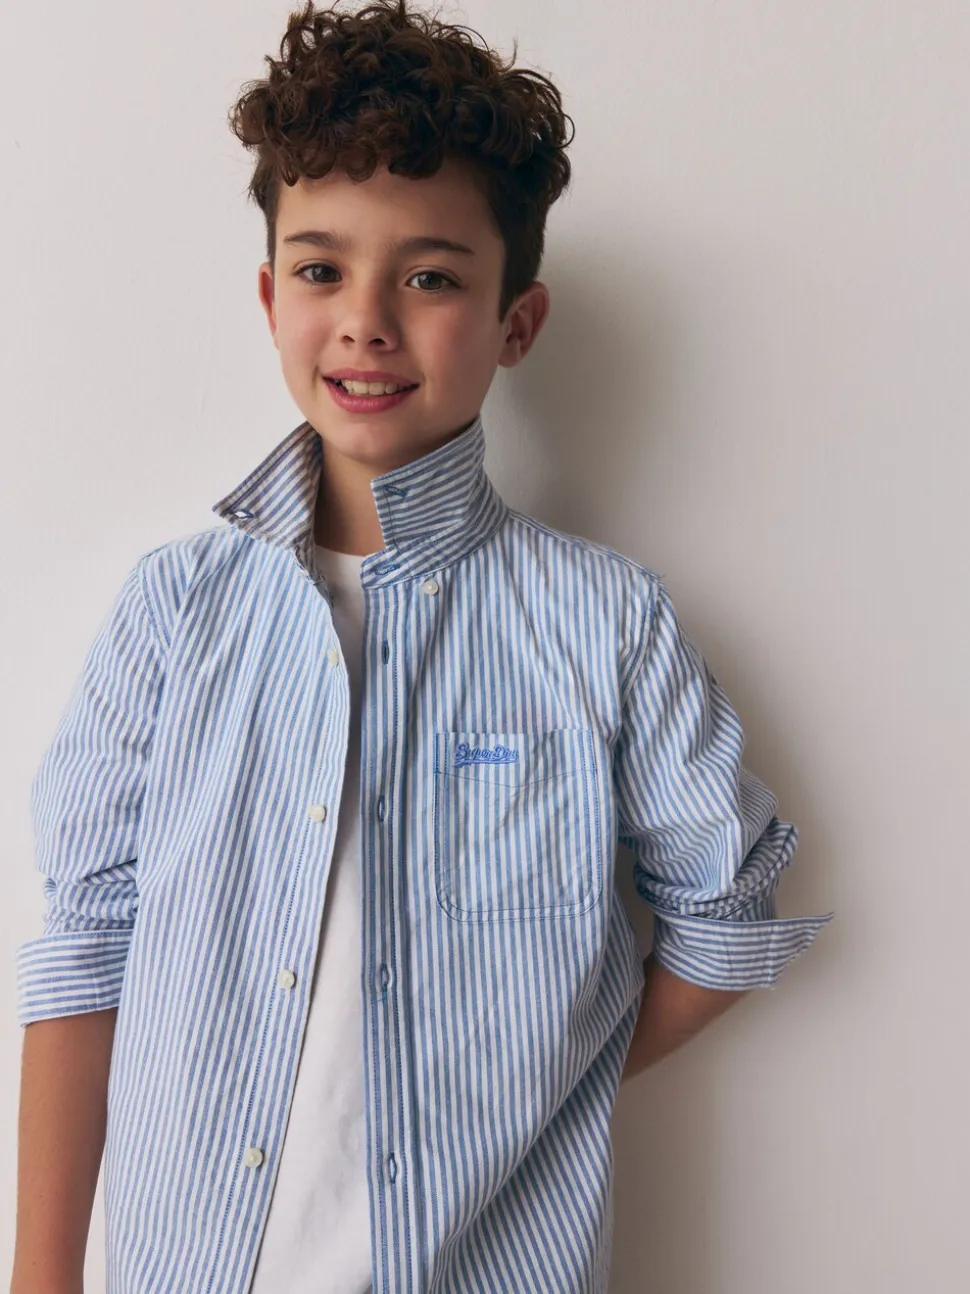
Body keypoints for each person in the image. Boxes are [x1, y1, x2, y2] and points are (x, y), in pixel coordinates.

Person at [10, 2, 834, 1291]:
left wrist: (524, 1087)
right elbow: (86, 952)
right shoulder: (173, 615)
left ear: (517, 321)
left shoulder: (605, 624)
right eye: (322, 270)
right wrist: (41, 1276)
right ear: (270, 297)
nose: (367, 321)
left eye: (432, 277)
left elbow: (723, 924)